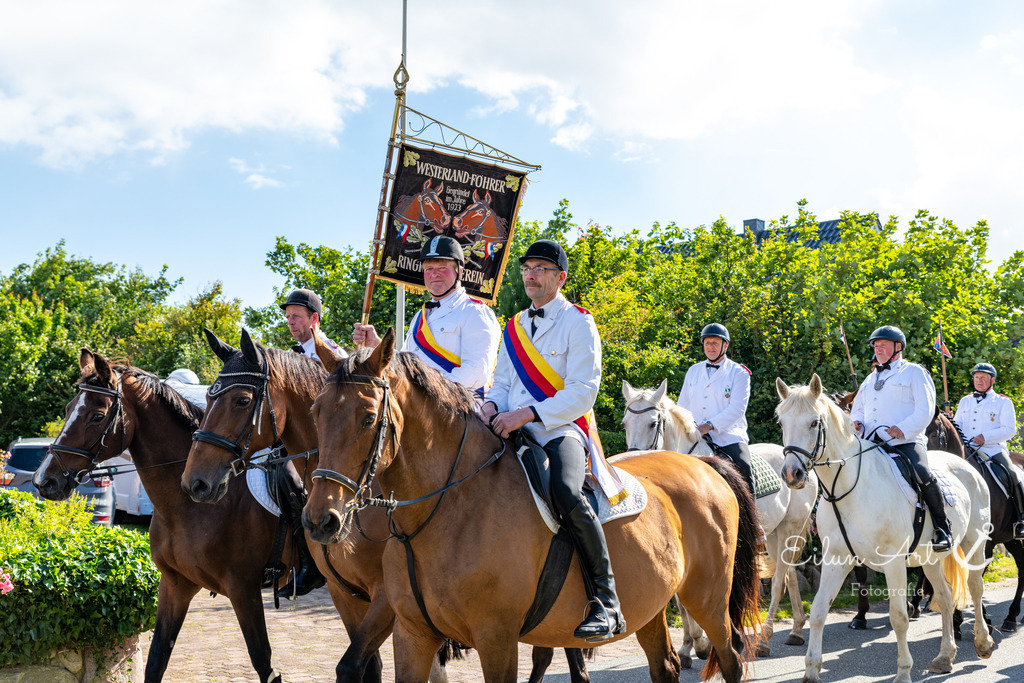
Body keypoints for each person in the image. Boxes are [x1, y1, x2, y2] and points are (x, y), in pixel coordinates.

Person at [480, 239, 625, 642]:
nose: (531, 274)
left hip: (559, 429)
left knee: (564, 490)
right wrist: (491, 406)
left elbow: (584, 390)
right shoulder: (512, 326)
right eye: (527, 268)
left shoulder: (579, 321)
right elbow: (503, 383)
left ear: (560, 278)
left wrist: (527, 413)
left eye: (541, 268)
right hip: (510, 427)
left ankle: (606, 600)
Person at [353, 236, 500, 400]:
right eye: (429, 269)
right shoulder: (420, 316)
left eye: (443, 267)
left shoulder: (475, 312)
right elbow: (406, 365)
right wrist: (377, 345)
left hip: (462, 410)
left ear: (460, 271)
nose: (434, 274)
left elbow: (477, 371)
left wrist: (426, 395)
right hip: (420, 410)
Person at [850, 325, 952, 551]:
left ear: (898, 347)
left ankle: (942, 529)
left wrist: (903, 429)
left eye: (883, 345)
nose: (878, 349)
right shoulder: (869, 379)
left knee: (922, 473)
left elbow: (925, 410)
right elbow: (857, 409)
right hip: (871, 444)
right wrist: (856, 423)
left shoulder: (914, 372)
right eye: (876, 346)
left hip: (906, 442)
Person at [675, 323, 754, 496]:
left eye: (715, 343)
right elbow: (682, 407)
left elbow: (737, 409)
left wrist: (709, 425)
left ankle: (752, 519)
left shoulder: (739, 373)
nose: (710, 347)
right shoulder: (693, 371)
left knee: (744, 466)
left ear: (725, 346)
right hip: (695, 435)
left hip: (728, 436)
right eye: (707, 343)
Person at [953, 363, 1024, 539]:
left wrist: (985, 436)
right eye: (976, 377)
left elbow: (1010, 430)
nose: (979, 381)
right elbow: (958, 426)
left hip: (993, 449)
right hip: (968, 450)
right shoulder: (965, 400)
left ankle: (1021, 520)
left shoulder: (1003, 402)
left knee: (1012, 475)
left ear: (992, 380)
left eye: (983, 377)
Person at [280, 288, 346, 360]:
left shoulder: (334, 355)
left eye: (296, 316)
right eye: (288, 317)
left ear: (314, 318)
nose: (290, 322)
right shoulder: (293, 355)